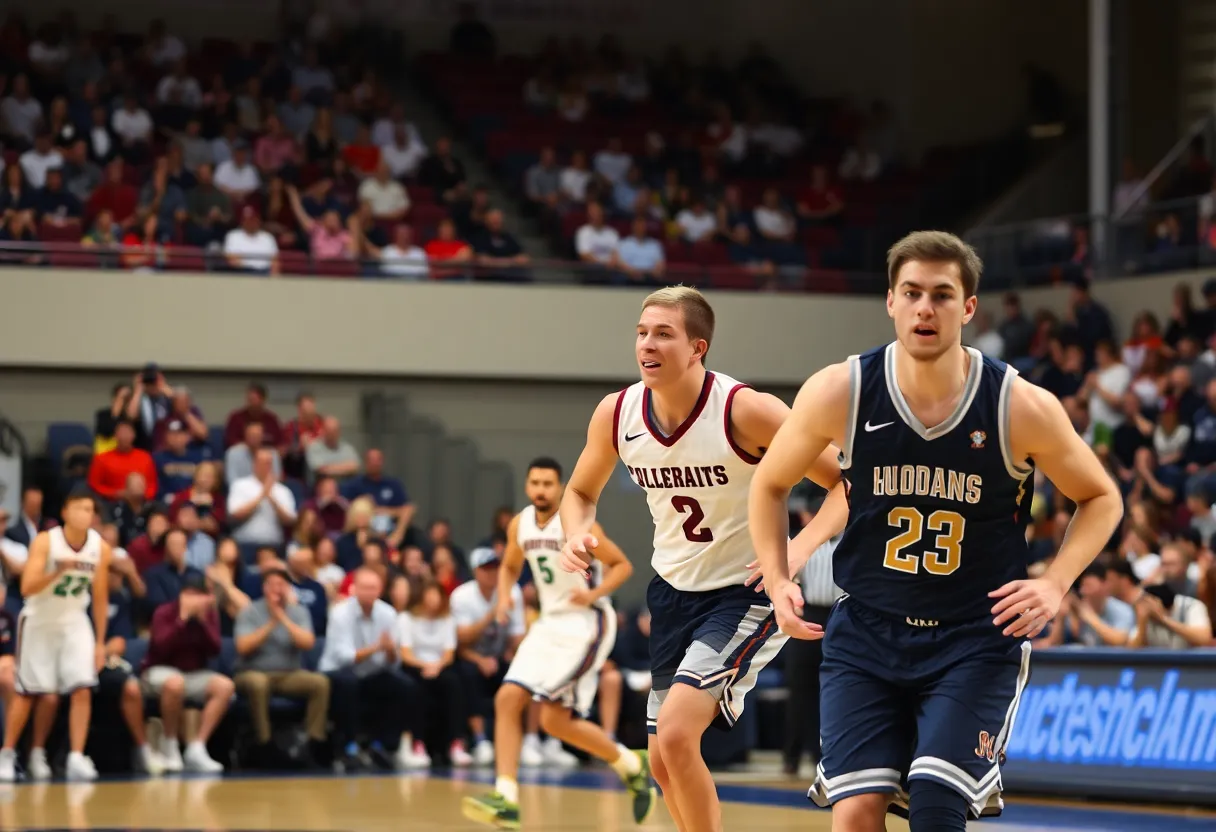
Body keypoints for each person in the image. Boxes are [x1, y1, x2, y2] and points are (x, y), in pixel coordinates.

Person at [748, 231, 1123, 831]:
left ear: (968, 308)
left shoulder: (1018, 404)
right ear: (890, 302)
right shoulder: (840, 390)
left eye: (943, 295)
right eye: (913, 293)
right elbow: (768, 484)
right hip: (868, 630)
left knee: (936, 805)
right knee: (855, 814)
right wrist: (775, 575)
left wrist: (1055, 584)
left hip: (973, 637)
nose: (926, 308)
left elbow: (1102, 497)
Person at [555, 286, 842, 832]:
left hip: (744, 590)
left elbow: (844, 486)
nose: (647, 343)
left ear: (697, 348)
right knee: (663, 760)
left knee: (678, 732)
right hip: (673, 592)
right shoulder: (616, 413)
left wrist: (797, 550)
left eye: (664, 333)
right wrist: (576, 533)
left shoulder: (746, 410)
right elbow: (580, 493)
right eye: (642, 332)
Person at [463, 457, 653, 829]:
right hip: (550, 623)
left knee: (552, 715)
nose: (540, 490)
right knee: (523, 706)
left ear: (561, 487)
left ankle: (629, 763)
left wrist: (593, 593)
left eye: (548, 484)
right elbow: (509, 567)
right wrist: (504, 597)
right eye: (535, 482)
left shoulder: (579, 523)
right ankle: (507, 797)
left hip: (587, 622)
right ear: (527, 486)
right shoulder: (520, 524)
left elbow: (622, 565)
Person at [0, 486, 112, 782]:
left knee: (83, 687)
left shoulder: (100, 548)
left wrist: (100, 642)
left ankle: (76, 755)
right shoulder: (46, 542)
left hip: (74, 620)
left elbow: (100, 598)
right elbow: (26, 588)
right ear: (64, 512)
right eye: (78, 508)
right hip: (39, 620)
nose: (84, 514)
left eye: (89, 509)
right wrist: (58, 571)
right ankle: (7, 754)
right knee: (28, 693)